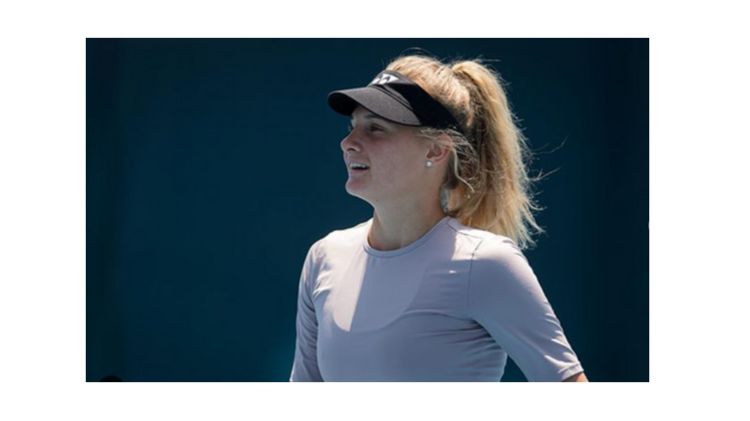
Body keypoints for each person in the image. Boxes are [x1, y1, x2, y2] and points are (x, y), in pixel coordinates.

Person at [289, 54, 588, 382]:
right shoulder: (324, 257)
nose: (348, 143)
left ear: (435, 150)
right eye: (353, 126)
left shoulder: (485, 263)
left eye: (375, 128)